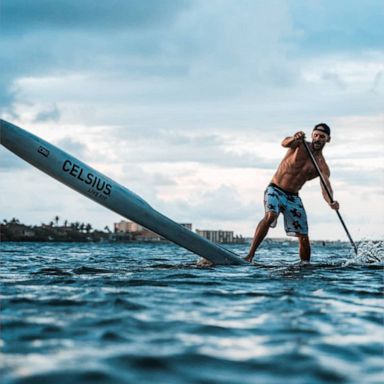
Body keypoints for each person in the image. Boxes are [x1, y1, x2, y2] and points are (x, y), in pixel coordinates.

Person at [245, 123, 339, 263]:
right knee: (271, 215)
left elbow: (326, 187)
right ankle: (250, 256)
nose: (318, 139)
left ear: (328, 139)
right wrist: (295, 137)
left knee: (303, 235)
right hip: (275, 189)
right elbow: (284, 143)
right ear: (312, 135)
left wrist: (331, 201)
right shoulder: (300, 144)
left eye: (322, 137)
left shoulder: (322, 166)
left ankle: (305, 265)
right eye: (316, 135)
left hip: (293, 197)